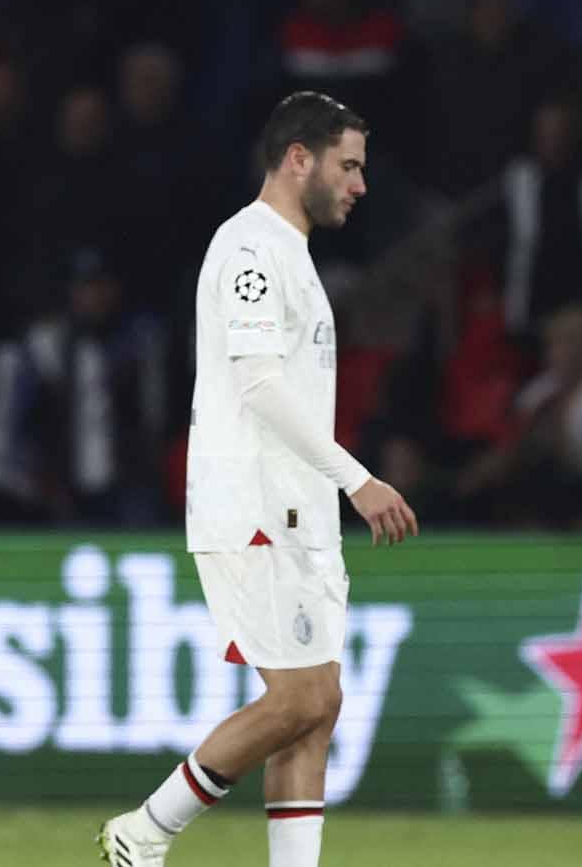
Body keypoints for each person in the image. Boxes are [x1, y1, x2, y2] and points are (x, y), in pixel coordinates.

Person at [97, 91, 418, 867]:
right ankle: (145, 830)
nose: (359, 185)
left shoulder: (292, 254)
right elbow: (259, 386)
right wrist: (358, 478)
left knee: (319, 708)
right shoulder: (247, 248)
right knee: (301, 697)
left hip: (300, 514)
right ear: (297, 158)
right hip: (252, 507)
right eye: (348, 165)